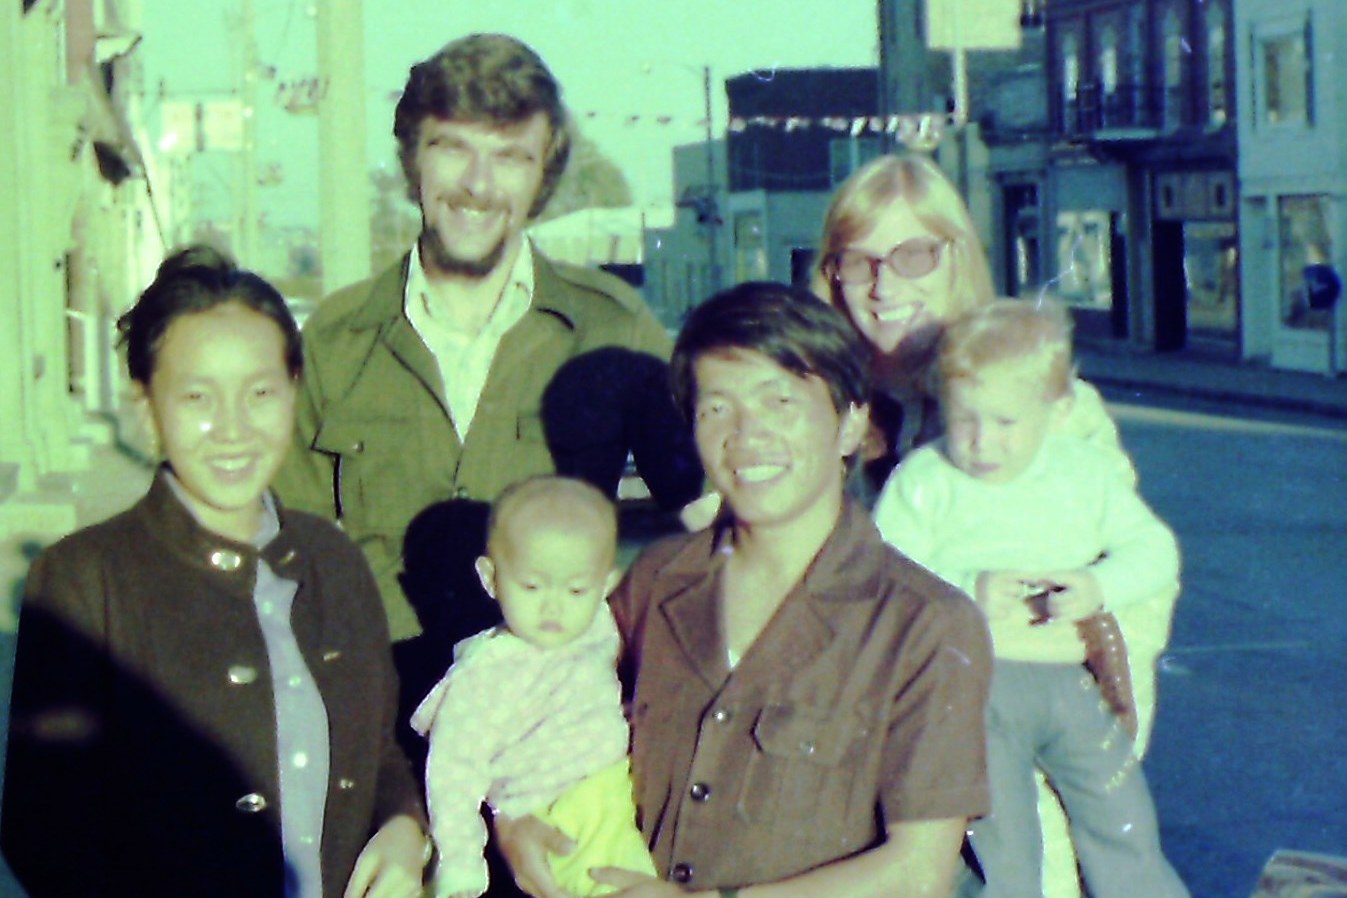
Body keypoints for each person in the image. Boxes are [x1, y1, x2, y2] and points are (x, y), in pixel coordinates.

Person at [497, 282, 994, 898]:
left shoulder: (925, 625)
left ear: (850, 424)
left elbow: (918, 871)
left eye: (780, 401)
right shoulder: (655, 582)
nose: (746, 433)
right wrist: (512, 820)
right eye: (717, 408)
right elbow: (532, 697)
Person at [273, 33, 703, 726]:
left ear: (542, 178)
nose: (478, 185)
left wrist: (625, 628)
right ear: (413, 159)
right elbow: (290, 550)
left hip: (549, 732)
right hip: (375, 719)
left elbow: (712, 513)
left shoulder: (612, 329)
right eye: (453, 148)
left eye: (510, 157)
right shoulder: (335, 337)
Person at [1, 245, 429, 898]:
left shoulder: (334, 560)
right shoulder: (86, 578)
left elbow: (380, 754)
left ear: (292, 391)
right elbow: (45, 828)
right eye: (198, 396)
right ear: (146, 410)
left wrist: (404, 830)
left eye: (259, 393)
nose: (233, 429)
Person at [813, 152, 1180, 898]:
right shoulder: (814, 405)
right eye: (858, 261)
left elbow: (1134, 602)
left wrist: (1090, 728)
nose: (885, 285)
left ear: (958, 255)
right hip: (857, 775)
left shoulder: (1050, 409)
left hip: (1017, 769)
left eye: (914, 254)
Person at [872, 299, 1190, 898]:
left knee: (1121, 818)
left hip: (1071, 685)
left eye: (1006, 422)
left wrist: (1099, 587)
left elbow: (1154, 551)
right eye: (964, 418)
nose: (981, 441)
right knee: (1002, 836)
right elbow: (886, 574)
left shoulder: (1083, 474)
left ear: (1057, 409)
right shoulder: (925, 479)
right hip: (972, 687)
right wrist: (967, 589)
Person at [410, 476, 655, 898]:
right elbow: (453, 775)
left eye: (577, 589)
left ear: (606, 584)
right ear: (491, 578)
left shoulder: (600, 625)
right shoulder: (484, 675)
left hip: (622, 788)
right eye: (531, 586)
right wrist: (462, 864)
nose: (554, 607)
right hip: (558, 811)